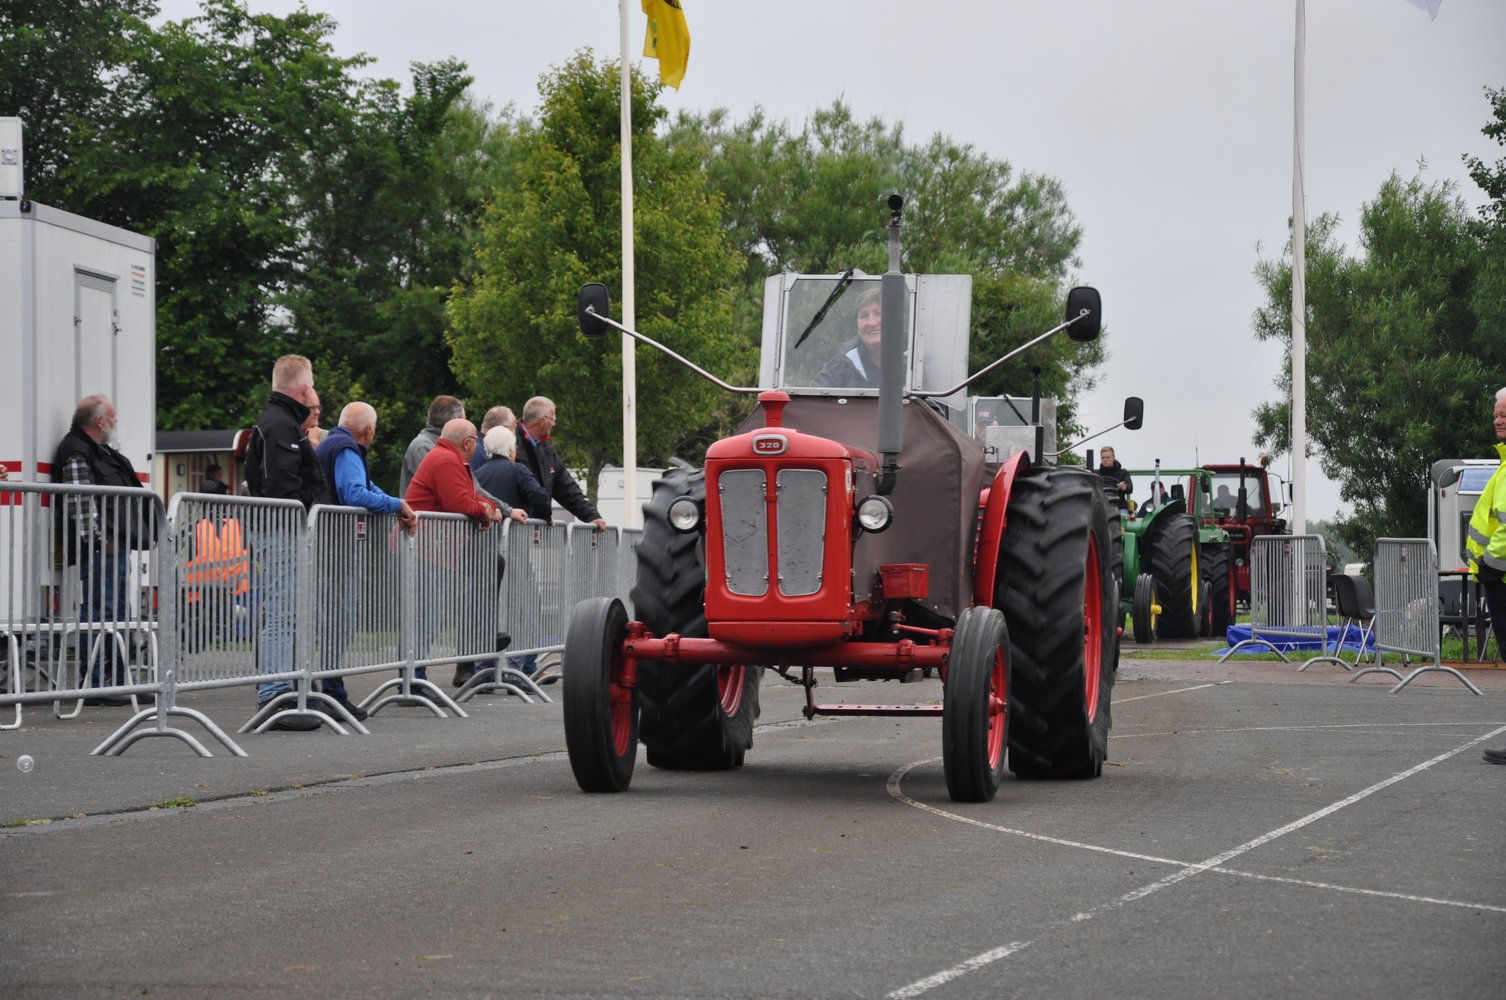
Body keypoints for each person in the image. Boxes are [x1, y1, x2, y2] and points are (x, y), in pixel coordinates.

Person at [312, 402, 418, 721]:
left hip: (327, 546)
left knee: (334, 622)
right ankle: (332, 693)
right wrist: (396, 505)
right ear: (369, 430)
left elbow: (368, 487)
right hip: (334, 549)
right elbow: (356, 494)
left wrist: (396, 503)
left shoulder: (334, 444)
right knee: (338, 622)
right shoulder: (346, 449)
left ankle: (328, 690)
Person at [404, 419, 526, 684]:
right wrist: (486, 511)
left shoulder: (449, 459)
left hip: (436, 546)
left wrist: (489, 508)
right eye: (475, 443)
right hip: (426, 546)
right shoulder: (446, 460)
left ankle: (480, 635)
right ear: (468, 442)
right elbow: (460, 502)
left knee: (491, 563)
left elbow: (472, 495)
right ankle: (413, 680)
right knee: (427, 615)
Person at [51, 395, 154, 706]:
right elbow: (81, 502)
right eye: (112, 416)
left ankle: (118, 682)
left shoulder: (98, 451)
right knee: (101, 613)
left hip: (112, 548)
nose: (115, 421)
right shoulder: (77, 450)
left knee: (117, 614)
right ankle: (97, 684)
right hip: (100, 550)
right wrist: (99, 541)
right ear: (98, 421)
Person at [244, 354, 326, 731]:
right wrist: (313, 503)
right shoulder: (279, 424)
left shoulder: (280, 421)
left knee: (286, 612)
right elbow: (283, 487)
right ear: (305, 388)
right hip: (281, 530)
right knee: (281, 612)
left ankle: (285, 690)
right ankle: (275, 693)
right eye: (313, 385)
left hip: (283, 529)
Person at [1470, 388, 1506, 765]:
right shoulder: (1503, 466)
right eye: (1496, 414)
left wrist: (1490, 566)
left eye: (1504, 415)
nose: (1498, 419)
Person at [516, 396, 607, 530]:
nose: (554, 424)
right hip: (515, 527)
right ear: (542, 421)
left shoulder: (546, 448)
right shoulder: (511, 442)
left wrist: (591, 515)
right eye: (553, 419)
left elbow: (565, 486)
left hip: (536, 529)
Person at [810, 286, 883, 390]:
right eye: (864, 316)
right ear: (857, 325)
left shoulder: (908, 358)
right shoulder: (843, 363)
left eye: (879, 314)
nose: (871, 323)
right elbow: (815, 394)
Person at [399, 395, 465, 497]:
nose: (466, 425)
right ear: (454, 422)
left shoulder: (444, 445)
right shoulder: (423, 447)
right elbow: (447, 488)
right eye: (464, 420)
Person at [470, 405, 517, 473]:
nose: (514, 434)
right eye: (514, 428)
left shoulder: (475, 446)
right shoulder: (479, 452)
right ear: (504, 429)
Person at [1095, 446, 1133, 512]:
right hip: (1101, 508)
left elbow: (1130, 488)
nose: (1105, 460)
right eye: (1103, 458)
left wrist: (1124, 486)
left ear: (1113, 458)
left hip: (1119, 507)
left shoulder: (1123, 473)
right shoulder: (1096, 474)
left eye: (1107, 457)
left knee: (1123, 515)